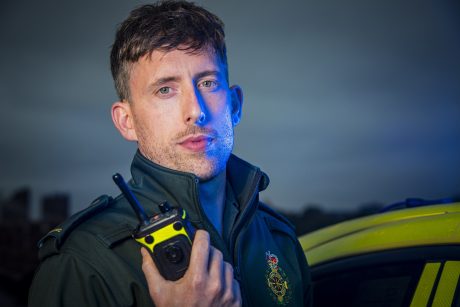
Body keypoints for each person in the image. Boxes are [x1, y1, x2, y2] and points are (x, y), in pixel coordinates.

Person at [28, 1, 312, 306]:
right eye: (165, 89)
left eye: (208, 82)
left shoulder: (278, 239)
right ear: (127, 121)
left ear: (234, 105)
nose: (195, 111)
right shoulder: (83, 265)